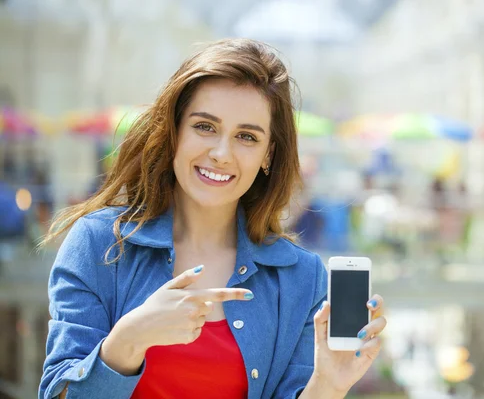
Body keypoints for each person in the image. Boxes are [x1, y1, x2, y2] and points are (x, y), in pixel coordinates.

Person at [39, 39, 387, 399]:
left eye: (246, 137)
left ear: (268, 154)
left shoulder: (302, 279)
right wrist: (130, 340)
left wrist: (327, 386)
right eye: (205, 127)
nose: (221, 154)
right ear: (174, 130)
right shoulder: (99, 244)